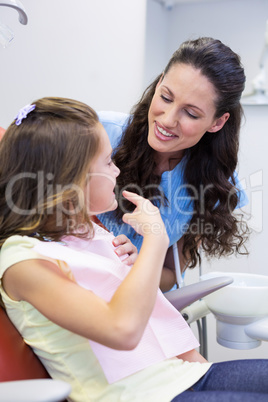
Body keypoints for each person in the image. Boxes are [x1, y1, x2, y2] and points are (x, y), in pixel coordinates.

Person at [0, 98, 267, 402]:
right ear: (71, 180)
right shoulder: (23, 260)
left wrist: (135, 265)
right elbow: (122, 330)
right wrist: (154, 239)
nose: (116, 172)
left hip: (185, 377)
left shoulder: (86, 234)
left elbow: (145, 316)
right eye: (108, 162)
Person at [97, 37, 250, 292]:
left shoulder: (216, 182)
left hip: (135, 302)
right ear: (158, 84)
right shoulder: (100, 133)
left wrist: (140, 263)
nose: (167, 120)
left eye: (190, 113)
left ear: (217, 122)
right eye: (166, 97)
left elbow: (171, 275)